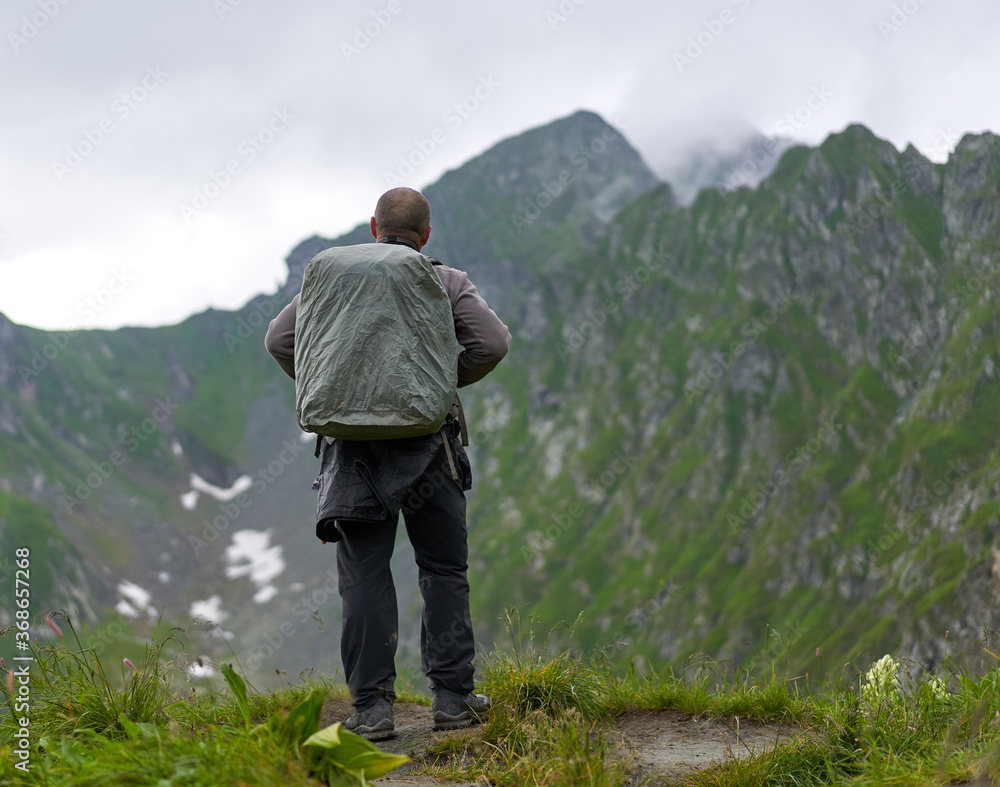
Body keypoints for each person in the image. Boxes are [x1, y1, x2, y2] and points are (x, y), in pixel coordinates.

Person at [264, 187, 511, 739]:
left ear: (374, 226)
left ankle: (372, 711)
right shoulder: (443, 280)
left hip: (353, 455)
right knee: (443, 571)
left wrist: (333, 390)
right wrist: (435, 387)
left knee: (365, 577)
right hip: (431, 446)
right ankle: (452, 700)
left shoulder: (334, 279)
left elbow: (280, 339)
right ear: (426, 235)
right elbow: (492, 344)